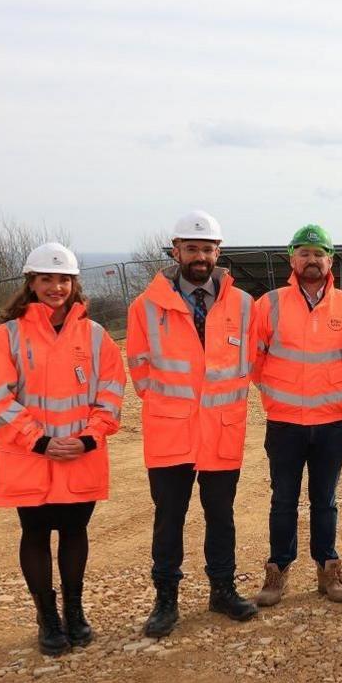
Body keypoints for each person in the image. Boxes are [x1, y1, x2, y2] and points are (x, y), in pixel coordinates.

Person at [0, 243, 124, 655]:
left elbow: (111, 394)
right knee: (36, 533)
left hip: (81, 454)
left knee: (75, 532)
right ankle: (47, 616)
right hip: (30, 456)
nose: (56, 287)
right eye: (47, 279)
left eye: (63, 279)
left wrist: (89, 437)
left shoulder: (95, 336)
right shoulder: (4, 336)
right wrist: (39, 441)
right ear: (31, 283)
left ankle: (75, 612)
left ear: (74, 283)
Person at [127, 211, 259, 638]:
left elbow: (250, 360)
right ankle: (165, 600)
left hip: (222, 429)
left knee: (221, 515)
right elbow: (141, 371)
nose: (199, 256)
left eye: (207, 248)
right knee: (170, 517)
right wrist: (175, 407)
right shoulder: (146, 307)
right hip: (172, 432)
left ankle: (222, 590)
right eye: (191, 248)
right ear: (175, 251)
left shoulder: (242, 305)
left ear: (218, 253)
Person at [249, 224, 342, 606]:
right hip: (284, 421)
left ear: (330, 260)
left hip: (330, 422)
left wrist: (338, 390)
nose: (312, 260)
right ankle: (278, 570)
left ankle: (328, 567)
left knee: (326, 499)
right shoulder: (268, 304)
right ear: (292, 259)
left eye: (319, 253)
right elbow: (254, 356)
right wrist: (272, 390)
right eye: (304, 253)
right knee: (283, 499)